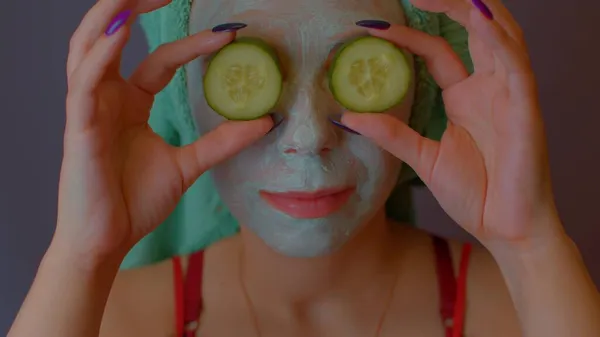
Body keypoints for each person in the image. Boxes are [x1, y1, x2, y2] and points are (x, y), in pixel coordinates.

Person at [7, 0, 600, 336]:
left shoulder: (524, 313)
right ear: (178, 100)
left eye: (360, 74)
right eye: (247, 77)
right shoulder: (107, 320)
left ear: (420, 91)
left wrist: (532, 245)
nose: (310, 139)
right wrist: (81, 257)